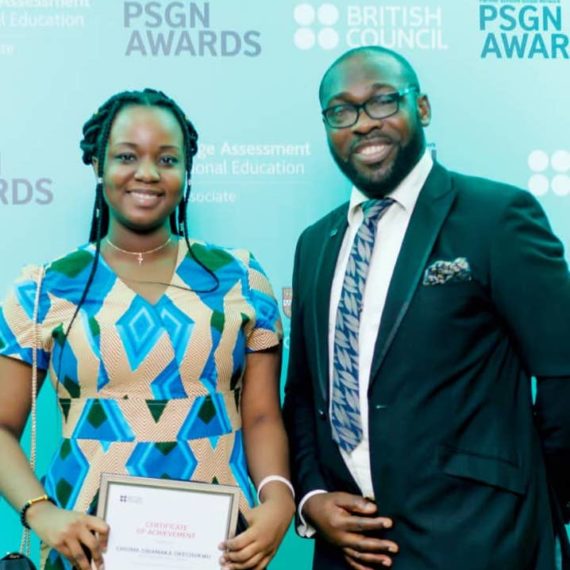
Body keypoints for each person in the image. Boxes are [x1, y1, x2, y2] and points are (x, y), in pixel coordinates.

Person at [283, 46, 570, 570]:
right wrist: (312, 497)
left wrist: (538, 503)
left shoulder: (496, 217)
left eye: (383, 101)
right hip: (347, 552)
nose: (363, 123)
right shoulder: (315, 243)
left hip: (481, 542)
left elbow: (562, 374)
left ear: (423, 108)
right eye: (341, 111)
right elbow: (303, 394)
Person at [0, 88, 294, 570]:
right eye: (126, 156)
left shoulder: (240, 278)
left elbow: (262, 416)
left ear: (187, 170)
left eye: (167, 159)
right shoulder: (44, 289)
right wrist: (42, 513)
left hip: (221, 549)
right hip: (85, 548)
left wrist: (279, 498)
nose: (148, 173)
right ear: (97, 164)